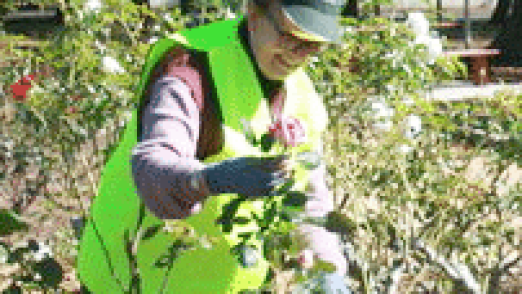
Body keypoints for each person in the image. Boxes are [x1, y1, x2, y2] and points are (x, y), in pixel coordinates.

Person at [76, 0, 351, 293]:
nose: (298, 55)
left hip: (228, 283)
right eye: (290, 36)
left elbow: (309, 200)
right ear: (254, 13)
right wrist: (209, 180)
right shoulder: (191, 68)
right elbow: (152, 167)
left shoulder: (301, 93)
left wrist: (328, 270)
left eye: (313, 44)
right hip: (138, 279)